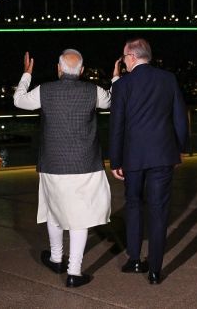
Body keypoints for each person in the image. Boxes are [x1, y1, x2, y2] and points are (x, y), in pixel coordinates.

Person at [14, 48, 119, 288]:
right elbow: (114, 100)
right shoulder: (93, 91)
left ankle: (56, 258)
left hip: (53, 163)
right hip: (86, 163)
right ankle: (74, 272)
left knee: (54, 210)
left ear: (59, 69)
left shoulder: (45, 90)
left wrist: (27, 74)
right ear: (81, 71)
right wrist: (115, 78)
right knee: (80, 217)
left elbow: (18, 100)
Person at [108, 38, 189, 285]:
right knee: (158, 210)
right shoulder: (168, 79)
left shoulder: (122, 85)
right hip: (163, 154)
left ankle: (134, 259)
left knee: (133, 204)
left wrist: (115, 160)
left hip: (132, 156)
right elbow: (180, 117)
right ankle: (155, 270)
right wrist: (180, 149)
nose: (123, 61)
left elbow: (117, 126)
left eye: (124, 57)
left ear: (132, 57)